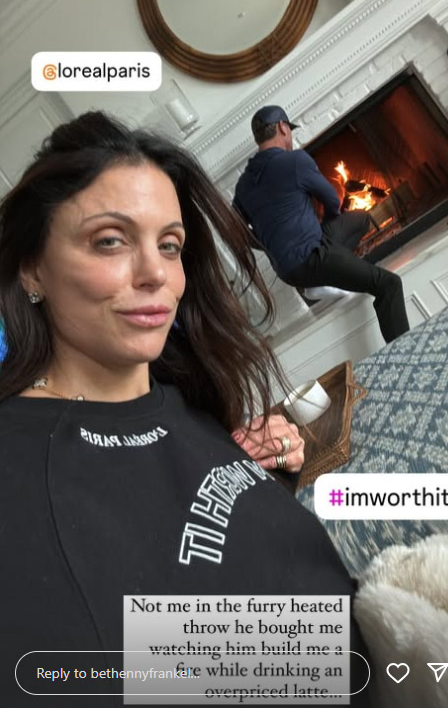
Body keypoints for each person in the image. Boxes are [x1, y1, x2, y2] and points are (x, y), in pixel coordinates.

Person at [0, 112, 370, 707]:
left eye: (169, 245)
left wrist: (268, 477)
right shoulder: (20, 465)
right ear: (31, 267)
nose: (156, 274)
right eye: (110, 240)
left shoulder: (178, 395)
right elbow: (92, 669)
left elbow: (187, 560)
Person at [233, 104, 410, 344]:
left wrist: (269, 245)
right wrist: (326, 230)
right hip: (314, 258)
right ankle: (403, 352)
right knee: (389, 284)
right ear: (283, 127)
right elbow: (331, 201)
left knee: (361, 219)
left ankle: (321, 282)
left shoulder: (243, 185)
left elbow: (236, 231)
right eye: (289, 129)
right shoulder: (294, 160)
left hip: (288, 271)